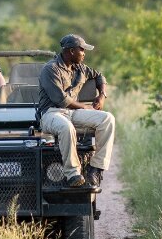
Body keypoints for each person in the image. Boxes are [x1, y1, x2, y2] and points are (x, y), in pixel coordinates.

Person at [38, 33, 115, 188]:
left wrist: (102, 95)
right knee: (66, 127)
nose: (84, 53)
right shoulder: (50, 69)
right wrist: (85, 107)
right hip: (52, 113)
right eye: (82, 50)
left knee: (107, 119)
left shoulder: (79, 68)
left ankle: (96, 169)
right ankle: (73, 174)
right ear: (71, 51)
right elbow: (61, 100)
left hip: (72, 113)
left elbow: (99, 76)